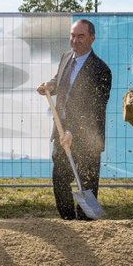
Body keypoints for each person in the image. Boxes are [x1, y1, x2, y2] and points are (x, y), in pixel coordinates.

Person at [36, 19, 112, 220]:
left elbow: (95, 109)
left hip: (87, 137)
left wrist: (74, 132)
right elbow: (61, 79)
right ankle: (68, 221)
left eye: (81, 36)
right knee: (60, 179)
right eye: (72, 35)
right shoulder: (66, 57)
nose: (75, 40)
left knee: (86, 182)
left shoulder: (101, 70)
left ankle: (86, 222)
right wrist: (50, 86)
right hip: (61, 132)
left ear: (92, 38)